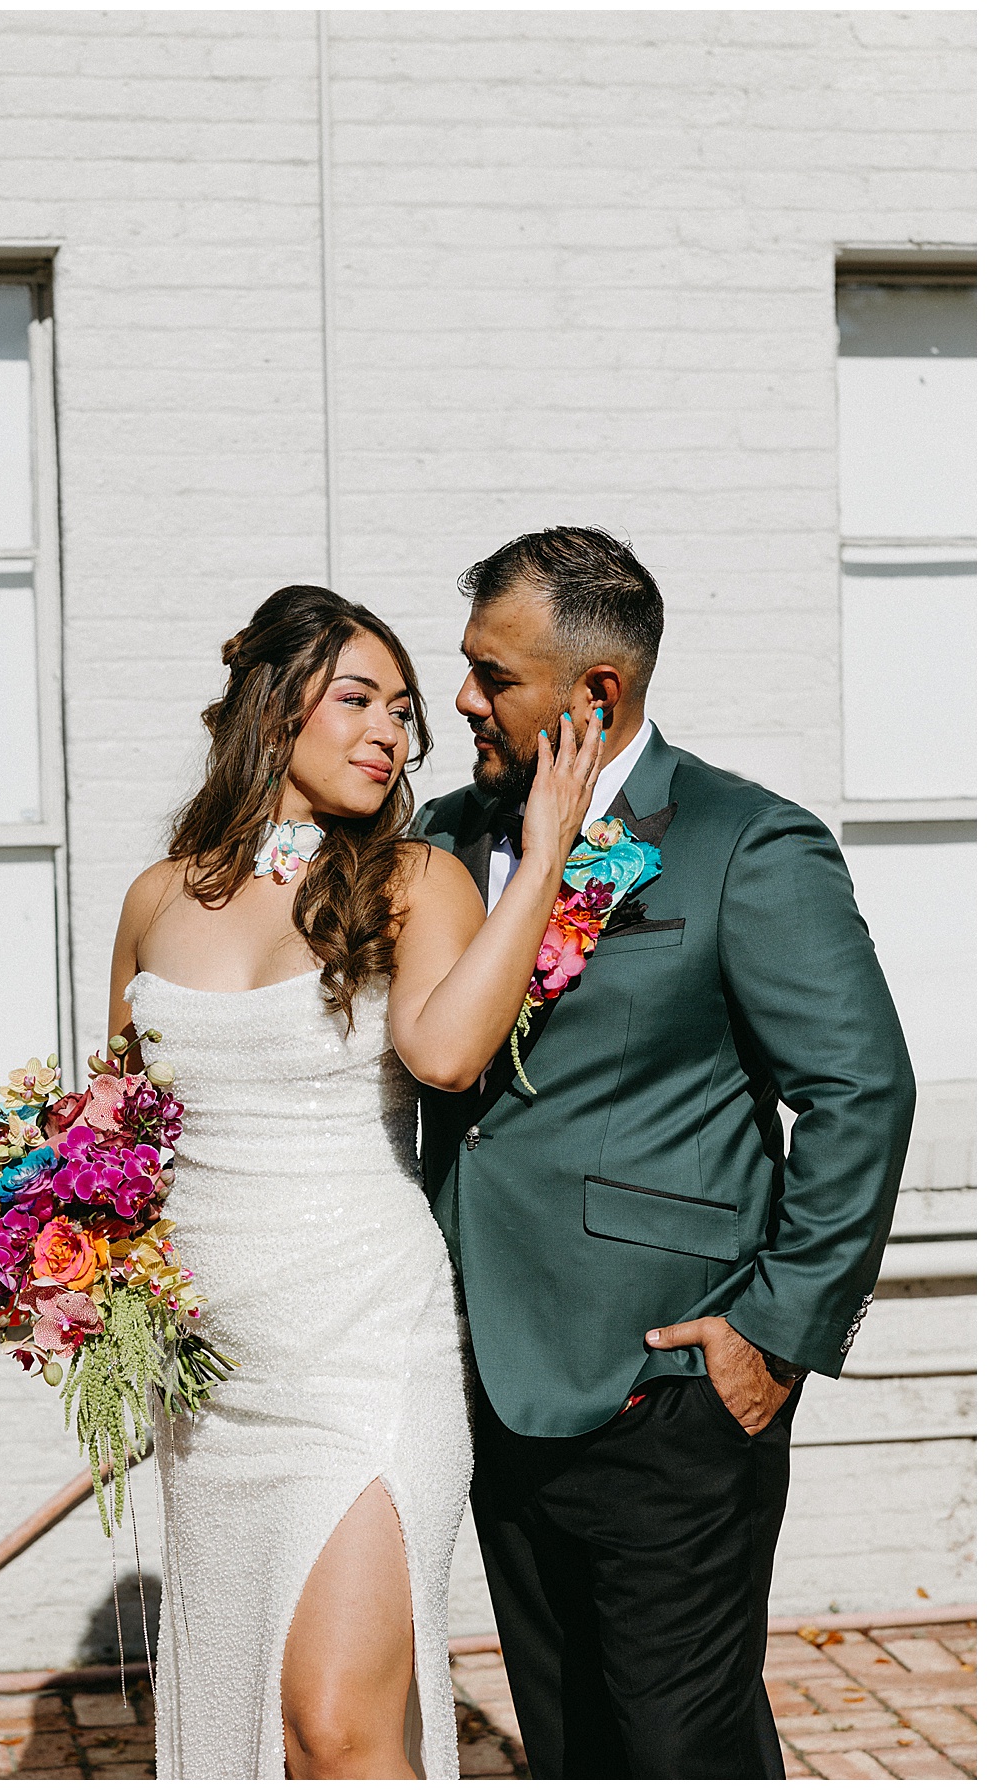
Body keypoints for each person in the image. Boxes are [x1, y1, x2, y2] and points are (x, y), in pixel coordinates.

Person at [412, 525, 917, 1779]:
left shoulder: (744, 841)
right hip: (481, 1371)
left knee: (678, 1743)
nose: (463, 697)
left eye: (494, 673)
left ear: (597, 693)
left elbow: (861, 1087)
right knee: (571, 1735)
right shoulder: (442, 835)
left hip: (669, 1387)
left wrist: (781, 1326)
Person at [106, 584, 606, 1779]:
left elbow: (444, 1053)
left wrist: (542, 858)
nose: (390, 730)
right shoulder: (153, 898)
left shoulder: (416, 881)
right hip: (213, 1382)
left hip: (365, 1348)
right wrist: (42, 1249)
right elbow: (108, 1140)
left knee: (338, 1724)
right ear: (274, 710)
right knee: (261, 1728)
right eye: (358, 699)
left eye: (404, 711)